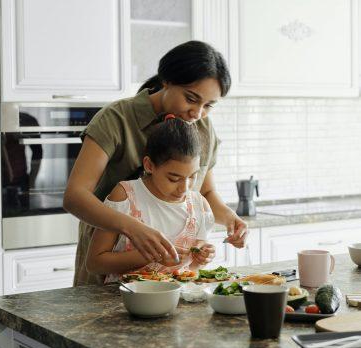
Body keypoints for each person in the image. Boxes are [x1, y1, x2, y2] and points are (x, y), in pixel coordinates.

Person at [63, 40, 249, 286]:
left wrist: (230, 219)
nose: (197, 113)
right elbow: (75, 196)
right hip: (109, 269)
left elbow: (205, 191)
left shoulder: (202, 127)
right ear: (167, 81)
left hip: (171, 279)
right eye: (191, 98)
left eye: (208, 106)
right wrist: (133, 228)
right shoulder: (116, 119)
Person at [86, 116, 216, 282]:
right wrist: (150, 256)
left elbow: (192, 268)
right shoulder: (126, 196)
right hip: (125, 301)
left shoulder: (199, 205)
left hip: (178, 302)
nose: (184, 188)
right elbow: (94, 263)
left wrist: (203, 257)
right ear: (149, 165)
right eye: (174, 178)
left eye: (193, 176)